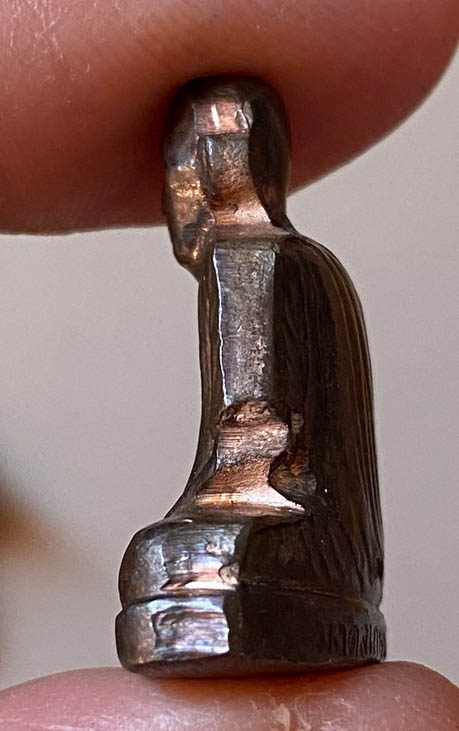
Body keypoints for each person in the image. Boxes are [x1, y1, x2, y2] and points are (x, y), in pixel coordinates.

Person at [0, 0, 458, 727]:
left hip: (285, 524)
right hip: (322, 542)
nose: (180, 189)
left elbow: (254, 441)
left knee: (171, 557)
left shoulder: (249, 259)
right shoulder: (305, 262)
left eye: (192, 163)